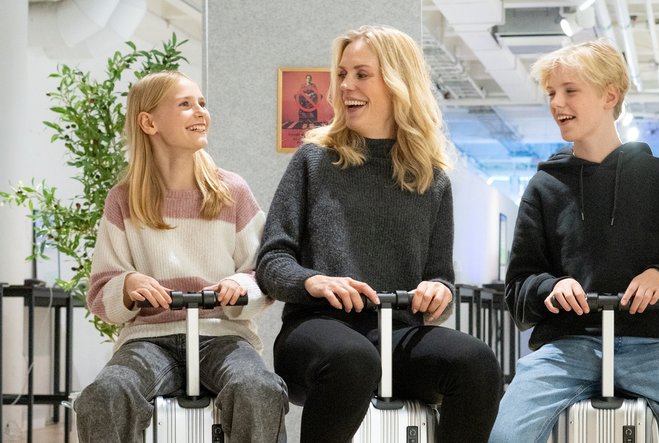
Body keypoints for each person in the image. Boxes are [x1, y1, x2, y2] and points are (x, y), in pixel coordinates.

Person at [256, 25, 502, 443]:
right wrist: (313, 281)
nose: (346, 85)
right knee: (353, 359)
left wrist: (437, 293)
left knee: (477, 363)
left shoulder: (432, 179)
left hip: (395, 334)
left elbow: (440, 277)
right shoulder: (314, 160)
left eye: (361, 74)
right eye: (342, 73)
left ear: (398, 82)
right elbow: (271, 262)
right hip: (315, 331)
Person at [488, 40, 659, 442]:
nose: (556, 103)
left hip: (653, 348)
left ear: (610, 95)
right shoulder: (544, 186)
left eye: (570, 90)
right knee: (505, 437)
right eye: (551, 92)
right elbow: (518, 289)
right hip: (567, 349)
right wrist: (552, 287)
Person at [73, 71, 288, 443]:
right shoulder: (123, 200)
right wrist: (128, 285)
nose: (200, 112)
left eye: (202, 103)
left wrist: (239, 285)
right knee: (105, 395)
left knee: (258, 389)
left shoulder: (231, 192)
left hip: (222, 335)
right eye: (185, 105)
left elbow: (262, 273)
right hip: (148, 339)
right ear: (148, 122)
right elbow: (101, 292)